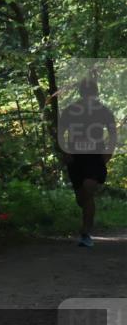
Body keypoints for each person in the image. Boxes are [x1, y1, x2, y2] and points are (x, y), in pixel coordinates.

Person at [59, 77, 118, 248]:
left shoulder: (104, 111)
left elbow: (113, 134)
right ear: (81, 93)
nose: (88, 96)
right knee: (81, 198)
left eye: (91, 93)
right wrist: (65, 152)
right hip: (75, 158)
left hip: (95, 157)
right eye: (85, 93)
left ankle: (85, 232)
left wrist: (108, 153)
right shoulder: (70, 111)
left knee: (88, 187)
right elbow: (61, 133)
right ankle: (87, 219)